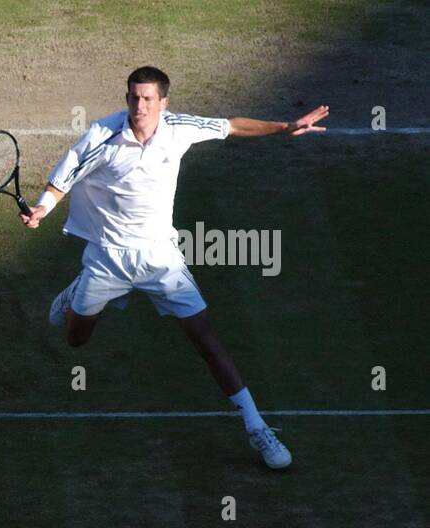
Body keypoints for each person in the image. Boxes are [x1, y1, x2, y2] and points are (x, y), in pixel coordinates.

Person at [22, 65, 327, 469]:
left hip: (161, 260)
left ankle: (257, 427)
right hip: (108, 258)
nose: (139, 106)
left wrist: (285, 127)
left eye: (148, 99)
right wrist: (41, 210)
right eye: (133, 97)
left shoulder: (179, 128)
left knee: (205, 339)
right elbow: (63, 178)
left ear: (164, 103)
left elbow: (231, 126)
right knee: (76, 339)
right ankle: (80, 289)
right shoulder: (102, 136)